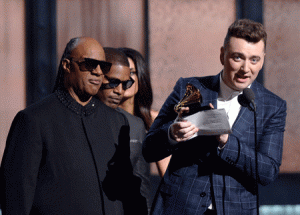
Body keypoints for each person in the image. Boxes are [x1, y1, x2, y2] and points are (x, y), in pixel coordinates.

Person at [143, 19, 287, 215]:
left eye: (254, 60)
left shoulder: (273, 106)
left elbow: (268, 171)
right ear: (222, 55)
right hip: (179, 207)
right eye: (238, 58)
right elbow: (148, 149)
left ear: (262, 60)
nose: (246, 68)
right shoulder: (189, 88)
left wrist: (226, 142)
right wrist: (171, 134)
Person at [0, 37, 136, 215]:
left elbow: (125, 192)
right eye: (89, 64)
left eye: (103, 67)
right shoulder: (34, 120)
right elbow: (15, 198)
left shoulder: (117, 122)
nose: (97, 72)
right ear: (66, 65)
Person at [97, 47, 151, 214]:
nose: (120, 89)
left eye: (127, 80)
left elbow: (141, 182)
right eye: (113, 81)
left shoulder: (137, 124)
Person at [117, 47, 170, 178]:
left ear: (140, 76)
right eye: (120, 73)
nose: (126, 79)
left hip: (141, 195)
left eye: (131, 73)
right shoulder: (103, 117)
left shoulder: (154, 119)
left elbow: (167, 174)